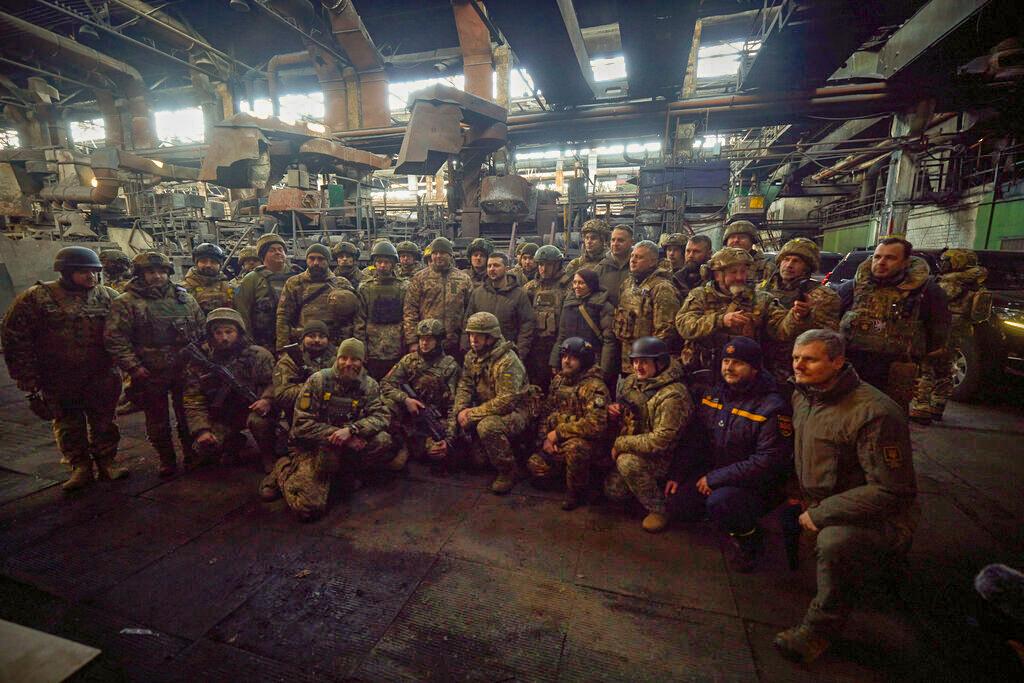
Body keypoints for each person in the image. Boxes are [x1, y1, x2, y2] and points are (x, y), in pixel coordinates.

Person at [774, 329, 918, 664]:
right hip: (822, 500)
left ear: (837, 362)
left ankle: (818, 633)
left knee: (834, 544)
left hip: (877, 514)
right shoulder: (804, 395)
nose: (799, 366)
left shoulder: (874, 412)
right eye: (796, 357)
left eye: (809, 359)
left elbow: (892, 491)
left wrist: (822, 515)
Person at [2, 246, 127, 491]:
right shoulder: (37, 297)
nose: (91, 277)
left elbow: (124, 333)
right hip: (59, 376)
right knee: (68, 424)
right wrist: (26, 378)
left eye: (94, 272)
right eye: (83, 272)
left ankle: (107, 461)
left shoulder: (108, 297)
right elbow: (15, 338)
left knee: (105, 421)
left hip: (101, 374)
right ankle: (80, 467)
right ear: (67, 272)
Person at [665, 337, 792, 572]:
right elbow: (696, 439)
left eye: (738, 362)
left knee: (721, 503)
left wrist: (715, 479)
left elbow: (767, 461)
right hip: (717, 472)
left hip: (754, 484)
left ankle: (750, 540)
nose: (729, 367)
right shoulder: (715, 395)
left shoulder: (772, 406)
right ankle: (720, 518)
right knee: (677, 504)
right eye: (726, 360)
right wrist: (678, 473)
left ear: (755, 368)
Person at [105, 251, 205, 477]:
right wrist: (133, 367)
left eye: (162, 272)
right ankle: (166, 459)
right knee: (157, 420)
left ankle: (192, 453)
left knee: (188, 414)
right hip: (149, 372)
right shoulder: (126, 302)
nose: (157, 276)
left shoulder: (184, 298)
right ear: (140, 274)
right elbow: (115, 338)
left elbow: (200, 327)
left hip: (184, 368)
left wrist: (199, 359)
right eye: (151, 272)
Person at [274, 338, 396, 521]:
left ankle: (343, 476)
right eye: (343, 358)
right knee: (309, 508)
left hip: (343, 447)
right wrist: (339, 435)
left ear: (362, 361)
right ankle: (282, 469)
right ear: (337, 358)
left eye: (355, 359)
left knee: (383, 440)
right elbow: (301, 425)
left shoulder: (369, 385)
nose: (348, 363)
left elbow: (382, 416)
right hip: (312, 448)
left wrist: (352, 430)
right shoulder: (318, 381)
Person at [836, 236, 950, 410]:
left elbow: (938, 334)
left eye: (890, 258)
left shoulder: (927, 293)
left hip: (897, 371)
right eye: (877, 257)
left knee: (889, 422)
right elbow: (830, 324)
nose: (881, 262)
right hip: (852, 366)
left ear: (905, 262)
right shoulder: (851, 289)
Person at [603, 336, 692, 533]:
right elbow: (629, 411)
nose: (637, 367)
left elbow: (662, 441)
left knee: (627, 462)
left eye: (644, 362)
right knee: (614, 492)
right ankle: (643, 491)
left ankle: (659, 509)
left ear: (659, 363)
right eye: (635, 361)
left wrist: (621, 443)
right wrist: (615, 410)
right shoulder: (631, 382)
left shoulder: (673, 395)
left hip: (665, 457)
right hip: (637, 445)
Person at [676, 247, 810, 375]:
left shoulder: (761, 299)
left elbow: (780, 330)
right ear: (717, 275)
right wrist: (720, 320)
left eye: (743, 271)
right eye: (733, 272)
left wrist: (796, 316)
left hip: (744, 374)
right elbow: (684, 326)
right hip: (703, 371)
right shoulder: (700, 296)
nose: (740, 277)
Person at [444, 312, 534, 494]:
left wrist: (472, 414)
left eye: (479, 335)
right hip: (487, 408)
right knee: (477, 462)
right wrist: (460, 411)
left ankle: (509, 471)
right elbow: (465, 386)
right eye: (470, 334)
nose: (473, 339)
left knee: (487, 427)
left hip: (517, 413)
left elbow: (506, 402)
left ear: (491, 337)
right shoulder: (472, 357)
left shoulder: (507, 361)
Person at [182, 308, 277, 470]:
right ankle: (234, 442)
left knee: (259, 422)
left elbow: (276, 382)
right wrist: (201, 430)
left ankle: (269, 455)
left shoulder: (259, 355)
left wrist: (267, 399)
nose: (224, 338)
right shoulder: (200, 362)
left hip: (253, 410)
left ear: (239, 332)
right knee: (203, 451)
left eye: (229, 331)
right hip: (223, 415)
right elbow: (193, 399)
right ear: (211, 335)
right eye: (218, 333)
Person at [527, 337, 611, 510]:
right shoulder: (558, 381)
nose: (566, 360)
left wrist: (557, 434)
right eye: (564, 356)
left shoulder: (595, 387)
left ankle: (577, 493)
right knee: (535, 465)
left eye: (572, 357)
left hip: (589, 444)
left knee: (575, 448)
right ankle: (566, 476)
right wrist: (545, 440)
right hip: (558, 440)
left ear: (584, 360)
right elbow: (547, 412)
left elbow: (595, 425)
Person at [258, 321, 336, 500]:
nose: (316, 340)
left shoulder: (337, 357)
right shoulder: (289, 360)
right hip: (302, 422)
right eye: (311, 336)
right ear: (303, 339)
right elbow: (282, 395)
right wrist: (313, 387)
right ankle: (281, 469)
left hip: (332, 421)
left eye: (322, 336)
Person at [910, 248, 989, 424]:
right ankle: (938, 405)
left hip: (940, 327)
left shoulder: (949, 283)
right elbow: (979, 316)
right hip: (960, 331)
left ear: (957, 262)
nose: (943, 264)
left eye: (947, 260)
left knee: (925, 365)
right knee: (944, 367)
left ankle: (921, 407)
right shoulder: (976, 285)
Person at [757, 238, 841, 383]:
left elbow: (826, 340)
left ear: (807, 268)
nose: (789, 265)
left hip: (796, 370)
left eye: (796, 261)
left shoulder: (824, 296)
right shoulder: (761, 290)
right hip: (762, 366)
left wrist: (804, 317)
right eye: (786, 259)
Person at [381, 318, 461, 465]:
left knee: (437, 453)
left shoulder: (450, 366)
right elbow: (386, 384)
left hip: (433, 417)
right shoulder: (408, 360)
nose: (424, 343)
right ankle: (402, 446)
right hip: (408, 414)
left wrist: (448, 439)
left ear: (438, 341)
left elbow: (453, 406)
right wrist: (405, 399)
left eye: (429, 339)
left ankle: (417, 447)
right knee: (387, 407)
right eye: (421, 339)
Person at [613, 240, 681, 375]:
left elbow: (666, 330)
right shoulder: (627, 284)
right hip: (627, 361)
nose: (633, 260)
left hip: (648, 364)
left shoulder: (662, 288)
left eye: (639, 257)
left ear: (652, 262)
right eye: (632, 256)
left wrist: (649, 360)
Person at [276, 244, 359, 352]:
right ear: (306, 260)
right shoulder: (294, 283)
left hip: (334, 346)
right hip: (303, 344)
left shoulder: (341, 283)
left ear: (328, 261)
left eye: (321, 259)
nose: (316, 263)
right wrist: (282, 349)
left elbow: (353, 317)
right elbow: (283, 317)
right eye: (312, 258)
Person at [403, 237, 474, 360]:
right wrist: (413, 341)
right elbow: (410, 311)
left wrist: (465, 339)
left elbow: (470, 311)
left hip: (455, 343)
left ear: (450, 255)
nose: (438, 256)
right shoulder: (420, 278)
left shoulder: (463, 279)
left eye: (442, 253)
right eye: (435, 253)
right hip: (427, 341)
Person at [234, 234, 301, 353]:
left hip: (294, 339)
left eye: (280, 249)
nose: (278, 252)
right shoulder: (252, 279)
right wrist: (248, 342)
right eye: (272, 250)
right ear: (263, 255)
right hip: (263, 342)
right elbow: (243, 312)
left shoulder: (297, 276)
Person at [462, 252, 535, 358]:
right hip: (480, 355)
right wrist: (466, 349)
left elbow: (527, 326)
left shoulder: (519, 295)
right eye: (489, 266)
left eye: (496, 265)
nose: (492, 269)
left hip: (508, 355)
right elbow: (467, 322)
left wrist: (520, 353)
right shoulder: (477, 293)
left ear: (506, 268)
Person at [552, 267, 617, 387]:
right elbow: (562, 335)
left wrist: (604, 370)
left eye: (581, 283)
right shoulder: (568, 304)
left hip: (593, 363)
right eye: (575, 282)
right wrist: (555, 361)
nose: (577, 286)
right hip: (571, 361)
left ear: (591, 284)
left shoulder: (603, 306)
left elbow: (609, 341)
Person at [355, 240, 407, 379]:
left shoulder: (403, 287)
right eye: (379, 262)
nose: (382, 266)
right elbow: (360, 320)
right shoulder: (365, 288)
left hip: (396, 345)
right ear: (374, 263)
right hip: (373, 347)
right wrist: (361, 346)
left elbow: (408, 317)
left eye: (386, 262)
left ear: (393, 264)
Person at [523, 245, 571, 392]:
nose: (543, 268)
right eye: (541, 264)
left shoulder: (567, 288)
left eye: (548, 264)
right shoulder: (530, 288)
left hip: (558, 345)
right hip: (535, 346)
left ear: (557, 265)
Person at [181, 242, 234, 315]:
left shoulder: (228, 287)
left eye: (213, 262)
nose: (208, 265)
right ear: (196, 263)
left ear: (220, 265)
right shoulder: (184, 288)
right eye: (203, 261)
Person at [722, 220, 777, 286]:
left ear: (752, 241)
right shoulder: (717, 265)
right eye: (732, 237)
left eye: (742, 237)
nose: (736, 240)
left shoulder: (766, 268)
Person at [596, 225, 634, 306]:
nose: (615, 244)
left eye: (620, 240)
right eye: (613, 240)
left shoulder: (638, 266)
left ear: (631, 242)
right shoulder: (601, 267)